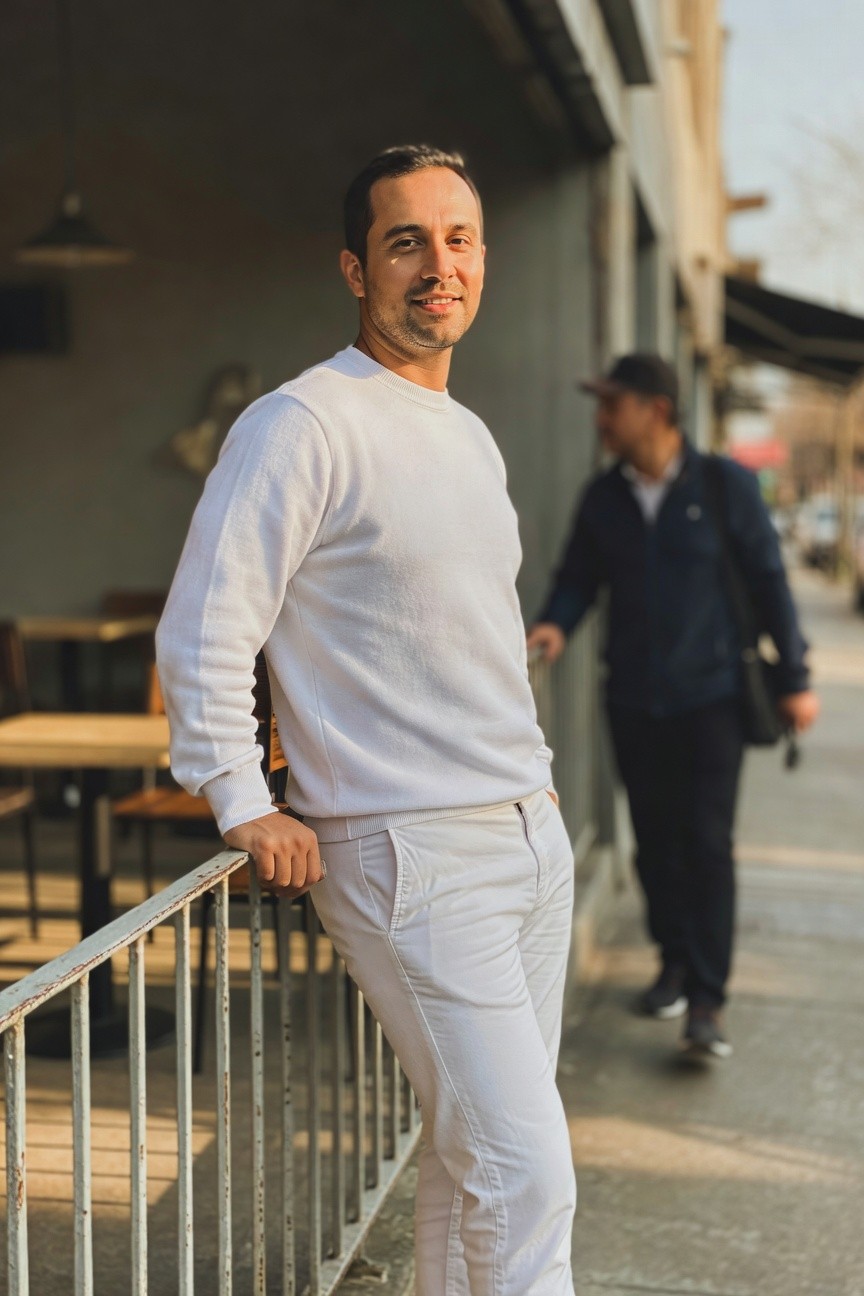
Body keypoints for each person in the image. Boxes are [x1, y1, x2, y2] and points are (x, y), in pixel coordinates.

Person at [157, 145, 576, 1295]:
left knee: (473, 1158)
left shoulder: (470, 435)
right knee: (530, 1178)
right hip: (411, 851)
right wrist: (240, 797)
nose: (439, 266)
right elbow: (206, 624)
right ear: (357, 267)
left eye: (459, 239)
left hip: (530, 837)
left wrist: (540, 815)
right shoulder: (300, 424)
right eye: (407, 242)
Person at [527, 353, 818, 1060]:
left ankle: (708, 1001)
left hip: (712, 698)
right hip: (632, 698)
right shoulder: (605, 498)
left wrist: (796, 677)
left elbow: (770, 581)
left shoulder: (724, 486)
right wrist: (554, 624)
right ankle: (674, 964)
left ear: (655, 409)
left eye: (612, 405)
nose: (601, 419)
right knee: (655, 839)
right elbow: (576, 579)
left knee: (707, 843)